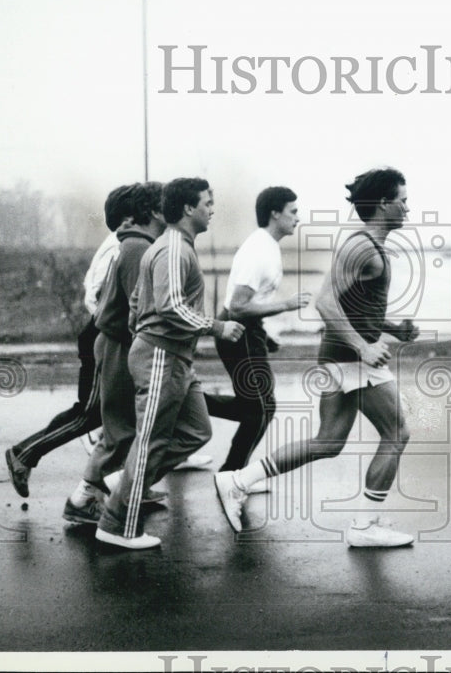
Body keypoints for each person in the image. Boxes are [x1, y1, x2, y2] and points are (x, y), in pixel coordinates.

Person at [216, 168, 420, 547]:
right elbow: (326, 302)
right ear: (382, 205)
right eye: (403, 201)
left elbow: (354, 307)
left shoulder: (370, 247)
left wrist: (393, 329)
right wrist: (363, 347)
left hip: (342, 357)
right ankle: (364, 526)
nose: (408, 208)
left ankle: (238, 480)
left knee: (328, 442)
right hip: (351, 360)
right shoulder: (362, 246)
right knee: (397, 432)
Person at [95, 178, 244, 549]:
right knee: (151, 441)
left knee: (197, 431)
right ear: (189, 209)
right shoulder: (174, 249)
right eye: (208, 203)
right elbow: (171, 306)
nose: (213, 209)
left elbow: (135, 302)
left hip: (172, 354)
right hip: (162, 353)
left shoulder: (174, 246)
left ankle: (126, 481)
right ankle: (117, 526)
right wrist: (217, 326)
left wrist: (141, 332)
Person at [4, 183, 136, 497]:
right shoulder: (119, 247)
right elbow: (96, 294)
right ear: (129, 218)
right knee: (89, 413)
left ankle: (121, 486)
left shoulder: (124, 243)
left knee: (120, 415)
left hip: (106, 333)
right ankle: (24, 453)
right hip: (101, 336)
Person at [62, 181, 166, 523]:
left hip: (120, 341)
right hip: (120, 343)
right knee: (119, 431)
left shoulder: (137, 244)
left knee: (129, 428)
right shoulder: (137, 249)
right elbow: (139, 309)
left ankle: (127, 488)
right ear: (153, 211)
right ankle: (81, 501)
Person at [205, 186, 312, 480]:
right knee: (261, 410)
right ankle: (231, 475)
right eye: (293, 212)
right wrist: (286, 305)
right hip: (238, 331)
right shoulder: (260, 251)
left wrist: (264, 336)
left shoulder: (266, 245)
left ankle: (188, 405)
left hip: (248, 332)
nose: (297, 218)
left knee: (256, 408)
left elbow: (248, 302)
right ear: (274, 214)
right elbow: (238, 307)